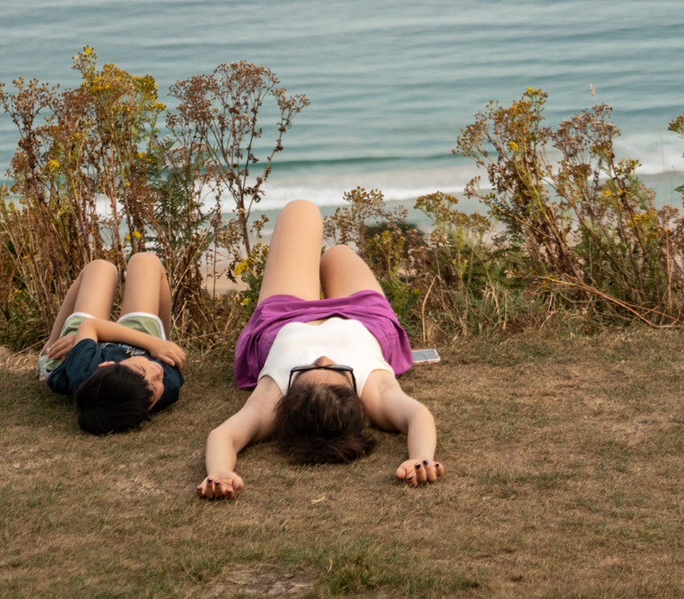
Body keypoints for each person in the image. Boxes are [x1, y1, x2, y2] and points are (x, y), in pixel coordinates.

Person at [198, 199, 442, 499]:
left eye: (308, 370)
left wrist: (219, 471)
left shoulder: (270, 401)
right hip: (363, 317)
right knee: (337, 255)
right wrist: (420, 457)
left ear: (288, 401)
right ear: (356, 399)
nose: (323, 358)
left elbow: (223, 435)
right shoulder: (375, 394)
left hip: (286, 317)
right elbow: (417, 416)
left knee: (301, 211)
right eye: (337, 370)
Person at [39, 252, 187, 434]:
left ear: (106, 366)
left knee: (100, 268)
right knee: (147, 261)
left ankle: (47, 349)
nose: (156, 372)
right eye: (156, 386)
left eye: (142, 371)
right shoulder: (168, 387)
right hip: (138, 348)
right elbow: (163, 364)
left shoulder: (85, 371)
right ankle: (165, 340)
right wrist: (158, 345)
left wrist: (83, 343)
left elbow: (90, 326)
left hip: (68, 352)